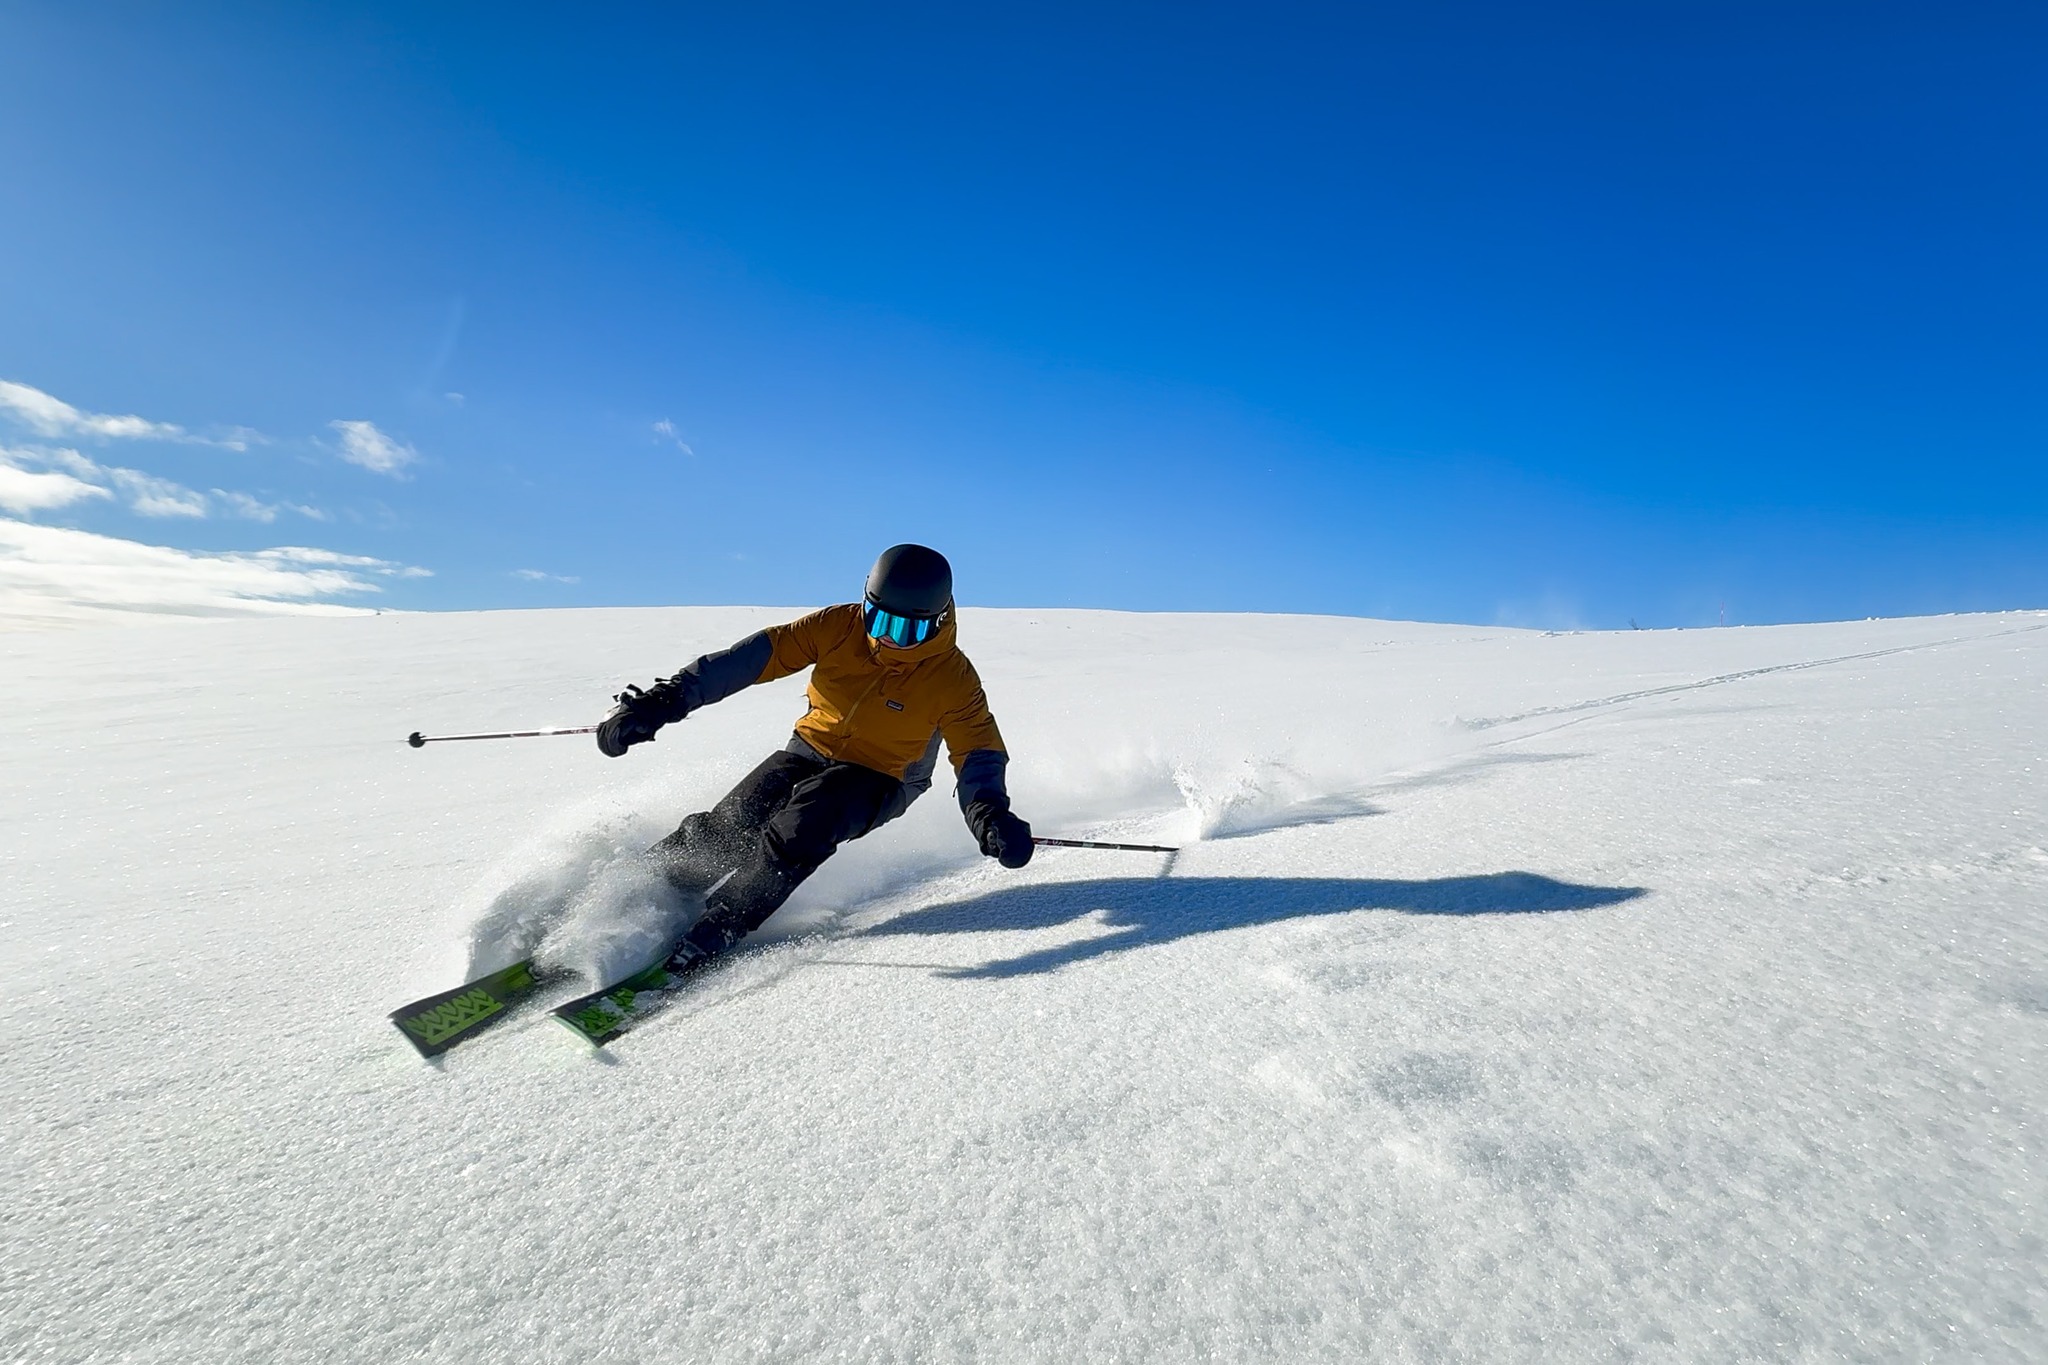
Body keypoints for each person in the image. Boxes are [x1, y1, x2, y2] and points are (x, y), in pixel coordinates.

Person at [594, 543, 1033, 963]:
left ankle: (723, 922)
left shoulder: (952, 678)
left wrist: (990, 815)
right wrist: (664, 701)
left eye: (908, 629)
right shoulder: (838, 627)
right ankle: (642, 894)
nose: (890, 639)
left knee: (803, 825)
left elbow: (977, 751)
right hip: (809, 748)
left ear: (937, 621)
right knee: (731, 823)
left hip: (883, 775)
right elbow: (753, 659)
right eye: (878, 620)